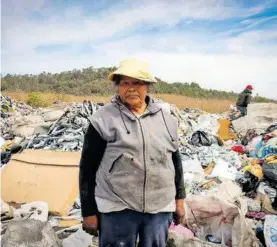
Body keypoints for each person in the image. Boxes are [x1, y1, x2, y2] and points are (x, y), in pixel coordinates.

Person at [79, 59, 186, 247]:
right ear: (117, 87)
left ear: (148, 87)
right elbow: (87, 168)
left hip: (159, 207)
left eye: (137, 83)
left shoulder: (166, 119)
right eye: (124, 83)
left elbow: (175, 161)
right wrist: (88, 212)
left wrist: (179, 200)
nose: (130, 88)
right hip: (117, 207)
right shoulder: (103, 119)